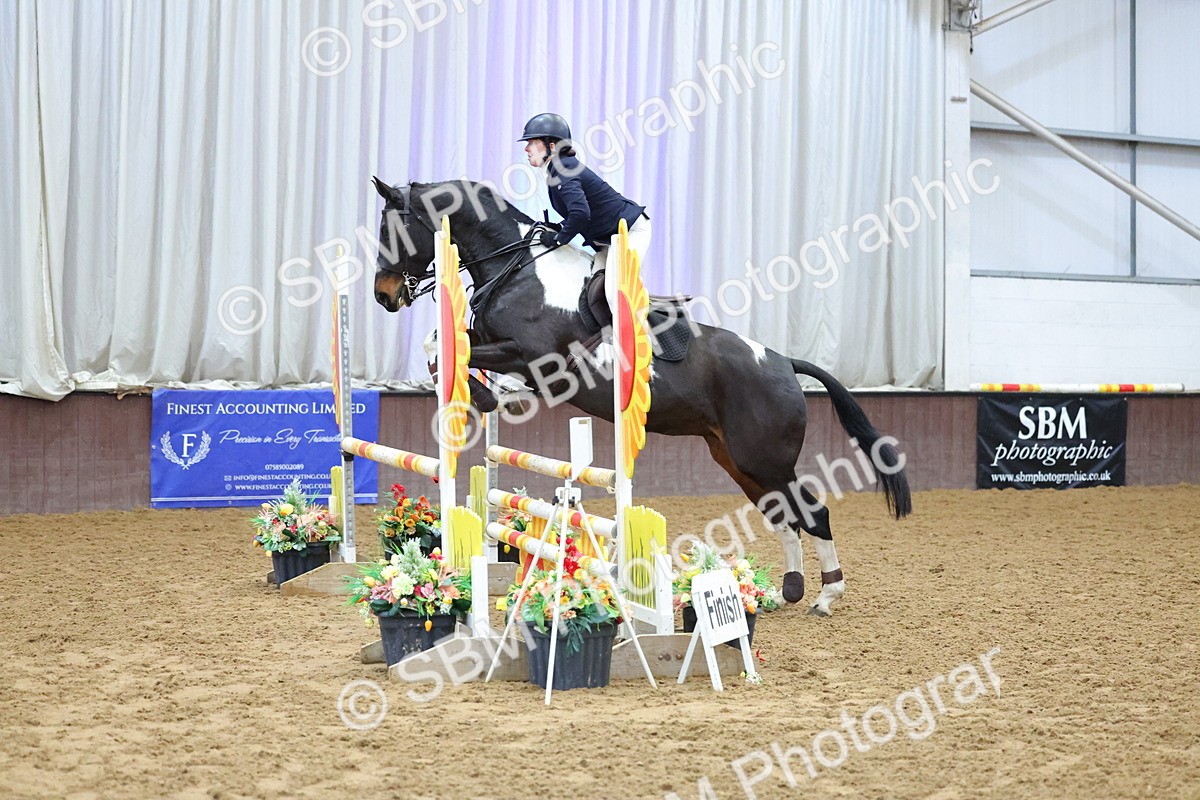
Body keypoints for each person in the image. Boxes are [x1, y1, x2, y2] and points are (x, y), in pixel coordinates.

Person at [518, 113, 651, 280]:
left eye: (532, 142)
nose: (526, 148)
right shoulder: (558, 170)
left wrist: (559, 239)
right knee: (592, 288)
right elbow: (581, 211)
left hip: (630, 231)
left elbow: (581, 213)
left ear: (552, 147)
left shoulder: (564, 169)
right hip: (607, 239)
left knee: (616, 292)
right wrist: (560, 226)